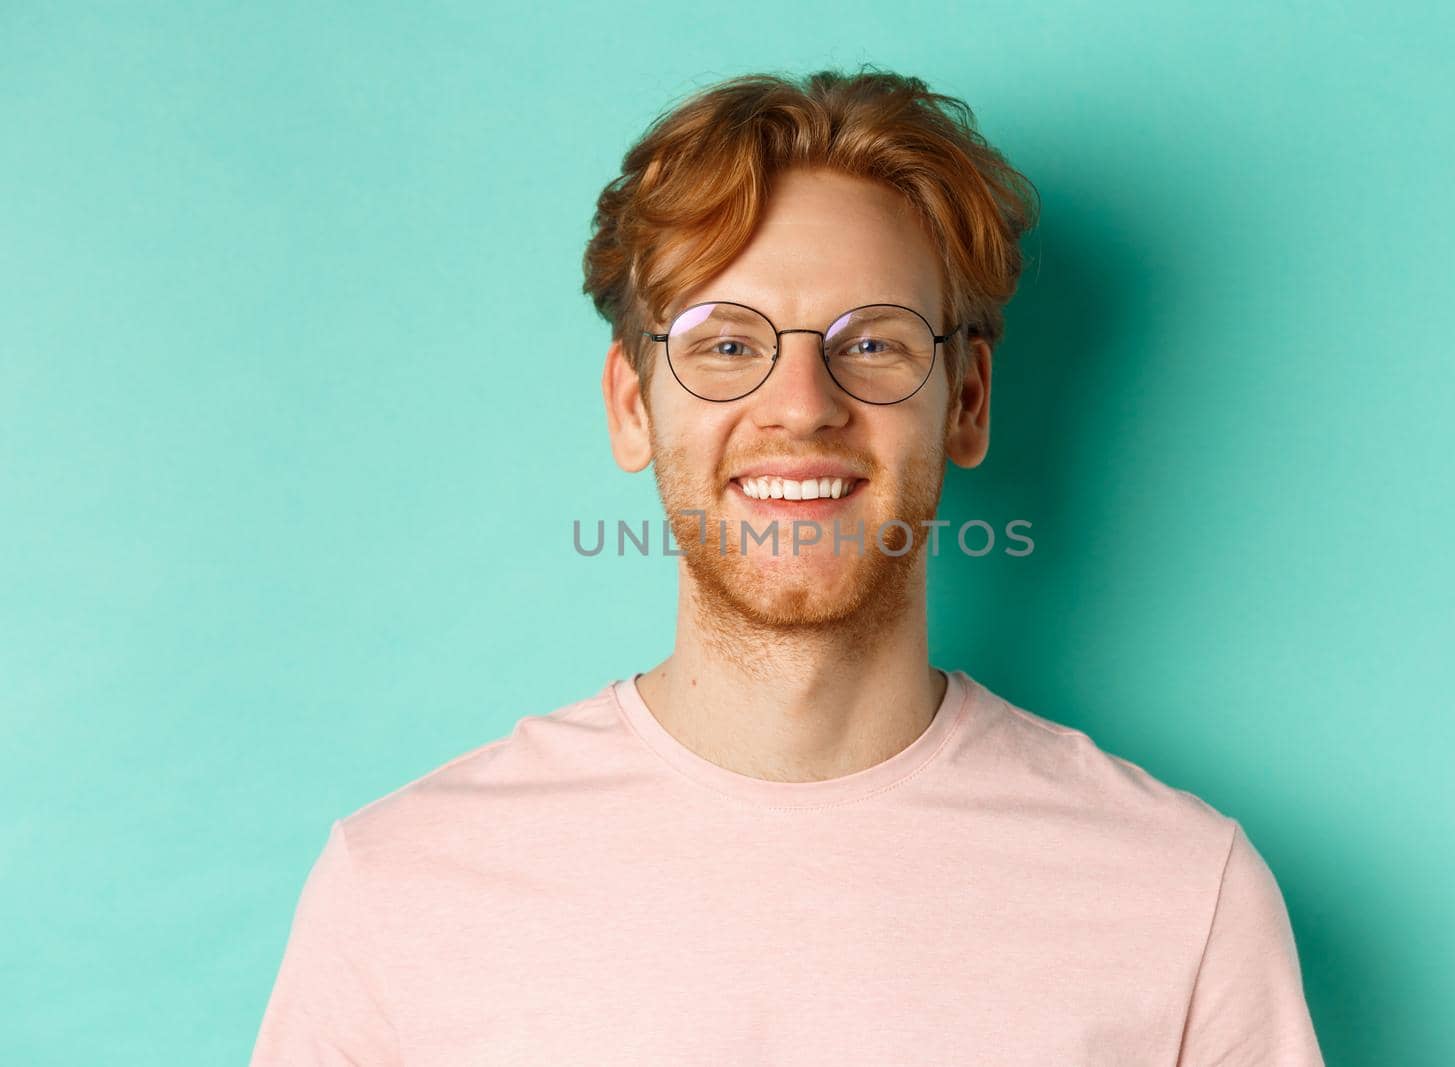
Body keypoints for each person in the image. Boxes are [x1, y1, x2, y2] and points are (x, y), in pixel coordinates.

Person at [250, 68, 1324, 1065]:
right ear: (632, 404)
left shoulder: (1178, 893)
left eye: (872, 342)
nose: (803, 405)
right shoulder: (401, 887)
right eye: (725, 344)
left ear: (966, 401)